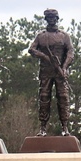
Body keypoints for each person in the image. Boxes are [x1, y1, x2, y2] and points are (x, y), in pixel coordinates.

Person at [28, 8, 74, 136]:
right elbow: (31, 49)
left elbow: (70, 52)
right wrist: (43, 56)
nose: (52, 20)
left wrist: (64, 67)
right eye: (49, 18)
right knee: (44, 98)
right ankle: (43, 128)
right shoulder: (41, 36)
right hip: (46, 72)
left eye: (54, 17)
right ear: (46, 19)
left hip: (60, 72)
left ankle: (65, 127)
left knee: (63, 98)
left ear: (57, 19)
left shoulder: (64, 36)